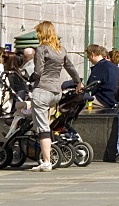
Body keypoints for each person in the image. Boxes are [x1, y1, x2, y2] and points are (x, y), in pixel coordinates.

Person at [29, 21, 82, 172]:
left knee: (42, 127)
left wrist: (29, 79)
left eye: (38, 32)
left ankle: (46, 161)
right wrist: (78, 82)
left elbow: (38, 72)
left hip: (42, 90)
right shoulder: (61, 50)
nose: (37, 35)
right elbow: (70, 67)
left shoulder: (41, 49)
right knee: (48, 123)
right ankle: (51, 152)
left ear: (42, 33)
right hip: (56, 93)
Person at [85, 44, 119, 110]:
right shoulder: (114, 66)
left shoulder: (99, 67)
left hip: (104, 100)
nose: (89, 59)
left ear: (92, 54)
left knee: (77, 107)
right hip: (115, 100)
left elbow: (91, 88)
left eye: (88, 56)